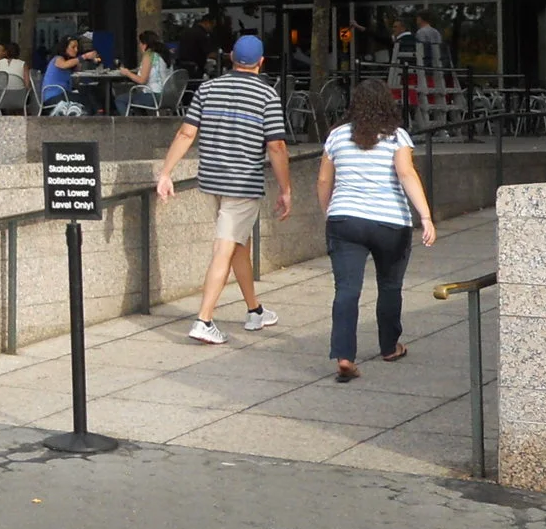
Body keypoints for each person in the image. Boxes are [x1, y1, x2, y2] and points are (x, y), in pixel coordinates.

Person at [154, 33, 293, 344]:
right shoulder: (267, 96)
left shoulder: (208, 88)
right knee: (224, 247)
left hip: (213, 180)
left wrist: (166, 173)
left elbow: (186, 133)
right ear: (261, 62)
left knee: (237, 244)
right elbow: (277, 146)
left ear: (231, 58)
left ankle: (255, 311)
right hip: (242, 183)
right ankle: (203, 320)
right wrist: (285, 189)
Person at [317, 77, 437, 380]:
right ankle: (389, 346)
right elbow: (406, 174)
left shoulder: (337, 136)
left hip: (345, 219)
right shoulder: (397, 137)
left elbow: (322, 181)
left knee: (346, 290)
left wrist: (328, 211)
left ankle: (344, 355)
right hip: (390, 222)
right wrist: (425, 216)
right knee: (390, 286)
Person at [41, 36, 98, 114]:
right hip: (54, 96)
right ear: (65, 48)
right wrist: (84, 56)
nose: (76, 50)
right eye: (73, 47)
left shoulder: (68, 63)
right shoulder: (58, 59)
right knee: (85, 100)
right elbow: (64, 65)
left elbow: (74, 82)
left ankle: (97, 115)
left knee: (88, 94)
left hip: (63, 94)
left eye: (77, 47)